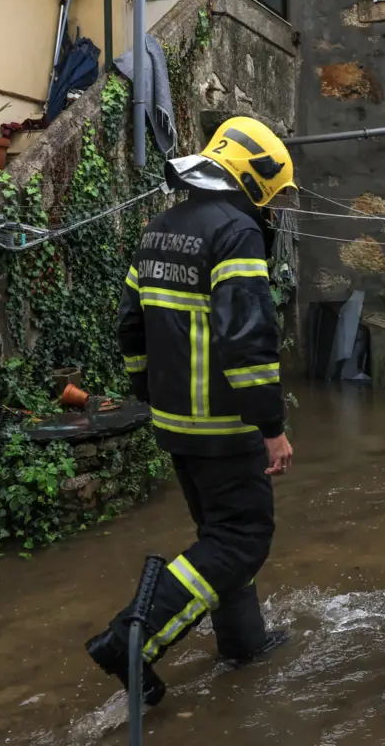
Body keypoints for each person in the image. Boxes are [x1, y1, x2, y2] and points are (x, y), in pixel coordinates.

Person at [85, 116, 296, 705]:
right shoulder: (236, 233)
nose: (273, 209)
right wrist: (272, 428)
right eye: (272, 196)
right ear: (254, 180)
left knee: (217, 535)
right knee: (241, 539)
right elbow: (249, 339)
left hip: (176, 423)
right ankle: (133, 635)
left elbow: (130, 327)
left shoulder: (159, 227)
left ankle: (243, 643)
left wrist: (152, 396)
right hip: (226, 425)